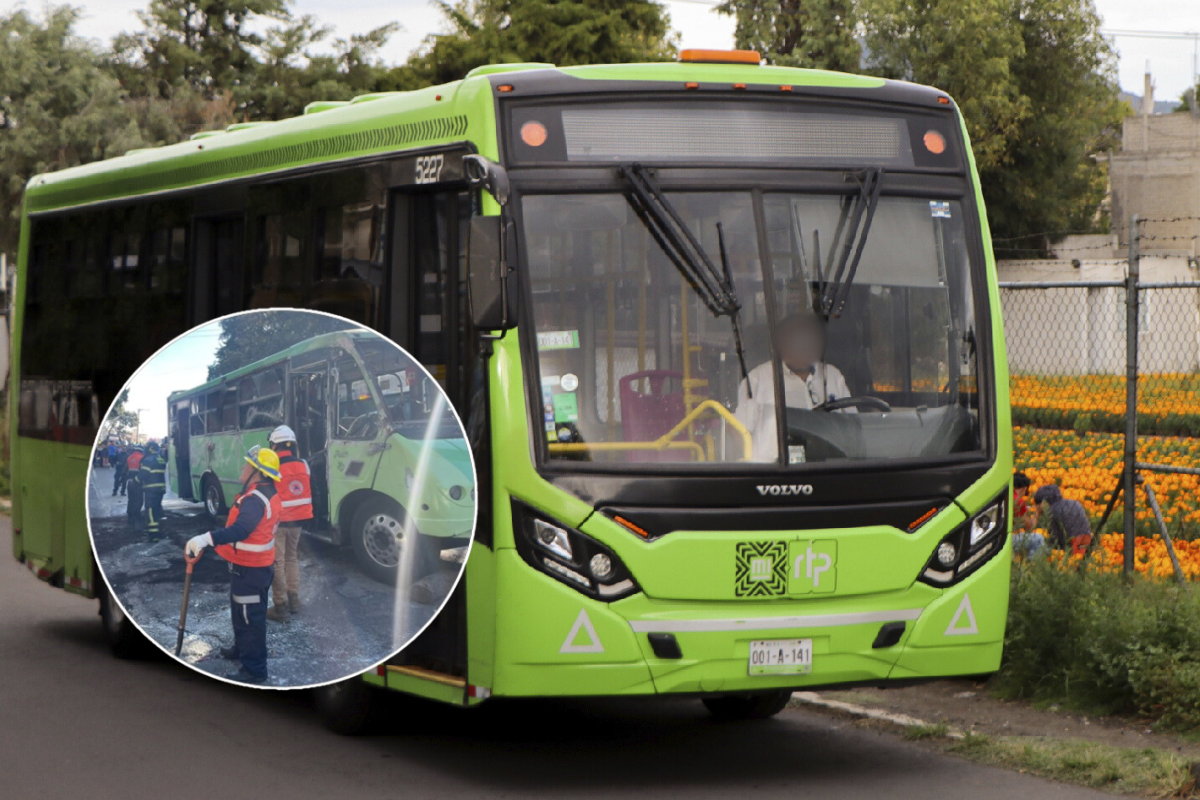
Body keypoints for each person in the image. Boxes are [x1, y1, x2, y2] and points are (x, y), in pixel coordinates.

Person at [185, 446, 282, 685]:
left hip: (251, 570)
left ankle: (255, 669)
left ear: (257, 472)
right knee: (241, 613)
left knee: (251, 619)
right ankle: (241, 649)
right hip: (249, 568)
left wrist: (205, 539)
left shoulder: (256, 499)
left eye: (247, 464)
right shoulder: (262, 493)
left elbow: (241, 530)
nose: (242, 467)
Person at [735, 311, 853, 462]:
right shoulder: (756, 380)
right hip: (775, 475)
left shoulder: (833, 376)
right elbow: (739, 432)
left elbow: (852, 427)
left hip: (829, 470)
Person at [266, 425, 313, 624]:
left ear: (274, 446)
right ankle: (294, 600)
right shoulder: (304, 464)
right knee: (291, 558)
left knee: (278, 562)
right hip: (299, 521)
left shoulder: (272, 467)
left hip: (279, 521)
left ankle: (280, 606)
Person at [1034, 484, 1092, 552]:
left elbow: (1056, 539)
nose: (1036, 507)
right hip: (1086, 541)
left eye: (1038, 504)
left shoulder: (1052, 511)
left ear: (1044, 503)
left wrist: (1037, 514)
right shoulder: (1075, 503)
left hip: (1070, 546)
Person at [1010, 471, 1045, 557]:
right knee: (1038, 539)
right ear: (1024, 489)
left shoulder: (1006, 494)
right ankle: (1032, 565)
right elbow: (1030, 528)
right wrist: (1037, 512)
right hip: (1005, 543)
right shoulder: (1018, 501)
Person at [140, 441, 167, 541]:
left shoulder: (148, 460)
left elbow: (143, 474)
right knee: (156, 509)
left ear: (150, 448)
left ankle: (153, 535)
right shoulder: (161, 459)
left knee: (150, 510)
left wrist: (135, 481)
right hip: (160, 489)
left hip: (151, 489)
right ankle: (158, 531)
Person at [125, 445, 145, 530]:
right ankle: (136, 518)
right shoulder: (142, 458)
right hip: (138, 483)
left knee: (131, 500)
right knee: (138, 501)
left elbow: (125, 470)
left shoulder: (129, 458)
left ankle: (130, 518)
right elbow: (143, 471)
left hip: (129, 482)